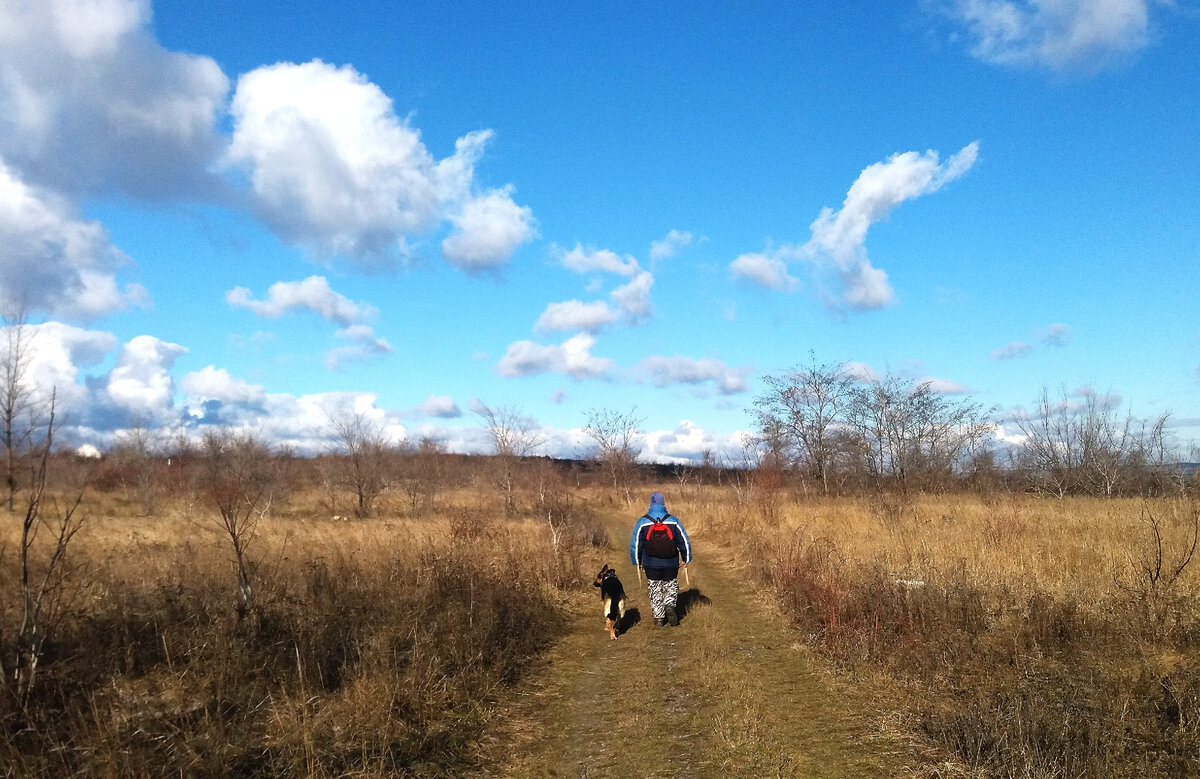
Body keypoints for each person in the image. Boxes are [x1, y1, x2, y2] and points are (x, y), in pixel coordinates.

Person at [629, 492, 692, 627]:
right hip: (671, 562)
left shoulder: (643, 521)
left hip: (651, 563)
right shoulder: (673, 520)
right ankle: (669, 605)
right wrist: (686, 558)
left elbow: (636, 544)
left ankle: (659, 618)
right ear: (663, 504)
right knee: (670, 585)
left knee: (655, 587)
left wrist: (637, 561)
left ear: (651, 504)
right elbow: (684, 541)